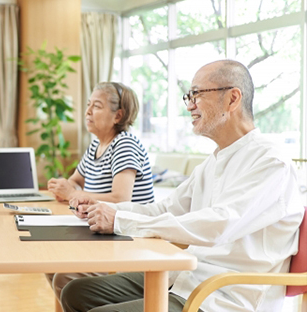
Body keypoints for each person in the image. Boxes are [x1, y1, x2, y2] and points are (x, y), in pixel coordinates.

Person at [62, 60, 304, 312]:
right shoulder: (213, 163)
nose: (189, 105)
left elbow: (218, 225)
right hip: (188, 278)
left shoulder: (270, 162)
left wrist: (121, 221)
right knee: (76, 292)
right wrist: (106, 209)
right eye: (189, 96)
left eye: (197, 94)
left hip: (224, 296)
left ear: (232, 99)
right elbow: (166, 208)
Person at [45, 82, 154, 300]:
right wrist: (67, 188)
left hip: (129, 239)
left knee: (63, 277)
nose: (87, 111)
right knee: (51, 264)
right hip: (103, 233)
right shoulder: (96, 145)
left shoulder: (124, 145)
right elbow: (75, 181)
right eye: (88, 105)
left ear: (118, 116)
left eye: (96, 106)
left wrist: (72, 194)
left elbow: (121, 197)